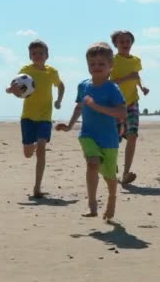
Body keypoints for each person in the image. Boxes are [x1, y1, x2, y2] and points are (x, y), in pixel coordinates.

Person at [56, 42, 126, 220]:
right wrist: (70, 126)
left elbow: (121, 112)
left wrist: (97, 107)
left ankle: (112, 199)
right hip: (87, 135)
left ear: (111, 66)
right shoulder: (84, 86)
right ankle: (92, 205)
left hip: (109, 139)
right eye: (92, 64)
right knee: (92, 163)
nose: (96, 67)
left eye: (101, 64)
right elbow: (79, 107)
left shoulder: (112, 88)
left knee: (109, 176)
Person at [6, 40, 65, 198]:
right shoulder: (26, 71)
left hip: (45, 117)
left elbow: (60, 85)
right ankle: (31, 146)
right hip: (28, 117)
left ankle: (37, 188)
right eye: (34, 53)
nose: (37, 56)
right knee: (28, 153)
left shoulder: (51, 72)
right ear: (30, 56)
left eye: (40, 53)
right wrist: (12, 90)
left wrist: (58, 100)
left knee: (41, 149)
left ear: (47, 55)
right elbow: (13, 89)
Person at [109, 30, 149, 186]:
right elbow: (108, 83)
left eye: (128, 41)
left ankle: (126, 173)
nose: (125, 44)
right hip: (114, 104)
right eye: (121, 42)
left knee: (132, 136)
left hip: (132, 103)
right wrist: (127, 78)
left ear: (132, 43)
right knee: (114, 140)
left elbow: (137, 76)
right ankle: (111, 168)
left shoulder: (136, 60)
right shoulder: (112, 60)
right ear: (116, 44)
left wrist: (143, 87)